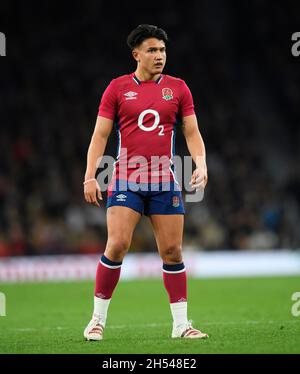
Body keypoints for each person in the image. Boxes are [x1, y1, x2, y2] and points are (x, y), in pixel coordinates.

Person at [83, 24, 208, 340]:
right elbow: (99, 135)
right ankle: (97, 320)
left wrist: (201, 163)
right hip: (127, 178)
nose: (159, 56)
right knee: (117, 245)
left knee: (172, 251)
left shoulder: (178, 88)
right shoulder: (117, 88)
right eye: (152, 50)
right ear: (136, 54)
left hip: (165, 180)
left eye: (163, 50)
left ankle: (181, 325)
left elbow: (191, 132)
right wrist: (90, 176)